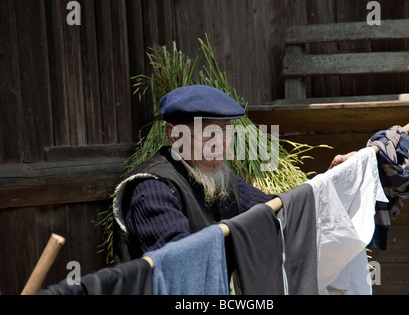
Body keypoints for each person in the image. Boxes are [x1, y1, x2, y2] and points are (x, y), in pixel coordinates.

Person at [112, 85, 353, 262]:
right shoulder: (151, 188)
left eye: (226, 132)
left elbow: (276, 208)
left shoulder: (220, 178)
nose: (220, 144)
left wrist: (330, 181)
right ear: (175, 135)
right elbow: (182, 263)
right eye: (209, 134)